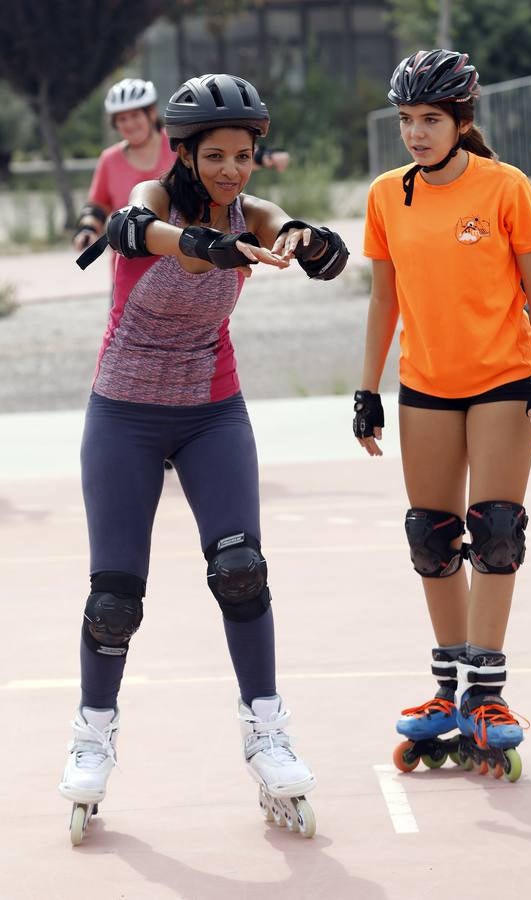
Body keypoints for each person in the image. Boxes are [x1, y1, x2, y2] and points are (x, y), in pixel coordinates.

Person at [58, 72, 349, 844]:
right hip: (124, 412)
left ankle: (267, 733)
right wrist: (196, 243)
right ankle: (93, 735)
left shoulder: (249, 208)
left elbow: (285, 224)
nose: (230, 169)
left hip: (212, 411)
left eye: (243, 155)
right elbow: (135, 226)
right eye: (214, 155)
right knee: (116, 597)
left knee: (241, 570)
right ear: (184, 153)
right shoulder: (156, 193)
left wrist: (306, 238)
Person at [354, 48, 531, 781]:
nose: (416, 133)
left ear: (460, 121)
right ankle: (449, 692)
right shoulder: (386, 195)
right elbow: (383, 299)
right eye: (408, 119)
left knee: (497, 530)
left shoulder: (505, 188)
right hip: (426, 385)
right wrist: (366, 389)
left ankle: (488, 694)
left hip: (504, 380)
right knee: (431, 537)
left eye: (430, 120)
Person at [72, 77, 292, 254]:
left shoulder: (177, 144)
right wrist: (88, 229)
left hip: (196, 256)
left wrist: (267, 156)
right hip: (133, 261)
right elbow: (97, 205)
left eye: (134, 115)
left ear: (150, 114)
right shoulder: (110, 159)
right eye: (121, 119)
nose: (129, 124)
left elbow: (227, 152)